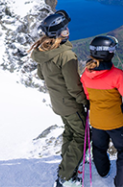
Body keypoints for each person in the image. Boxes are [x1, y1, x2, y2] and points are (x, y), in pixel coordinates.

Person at [29, 10, 88, 187]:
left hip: (58, 103)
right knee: (82, 137)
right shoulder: (66, 55)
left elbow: (41, 75)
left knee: (70, 132)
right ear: (56, 34)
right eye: (63, 30)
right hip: (71, 104)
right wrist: (85, 100)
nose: (67, 31)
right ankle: (66, 176)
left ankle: (67, 164)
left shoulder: (44, 53)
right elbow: (73, 86)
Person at [80, 35, 123, 187]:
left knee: (99, 147)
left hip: (97, 121)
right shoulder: (117, 75)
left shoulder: (86, 74)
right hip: (116, 123)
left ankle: (102, 171)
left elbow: (86, 96)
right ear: (110, 53)